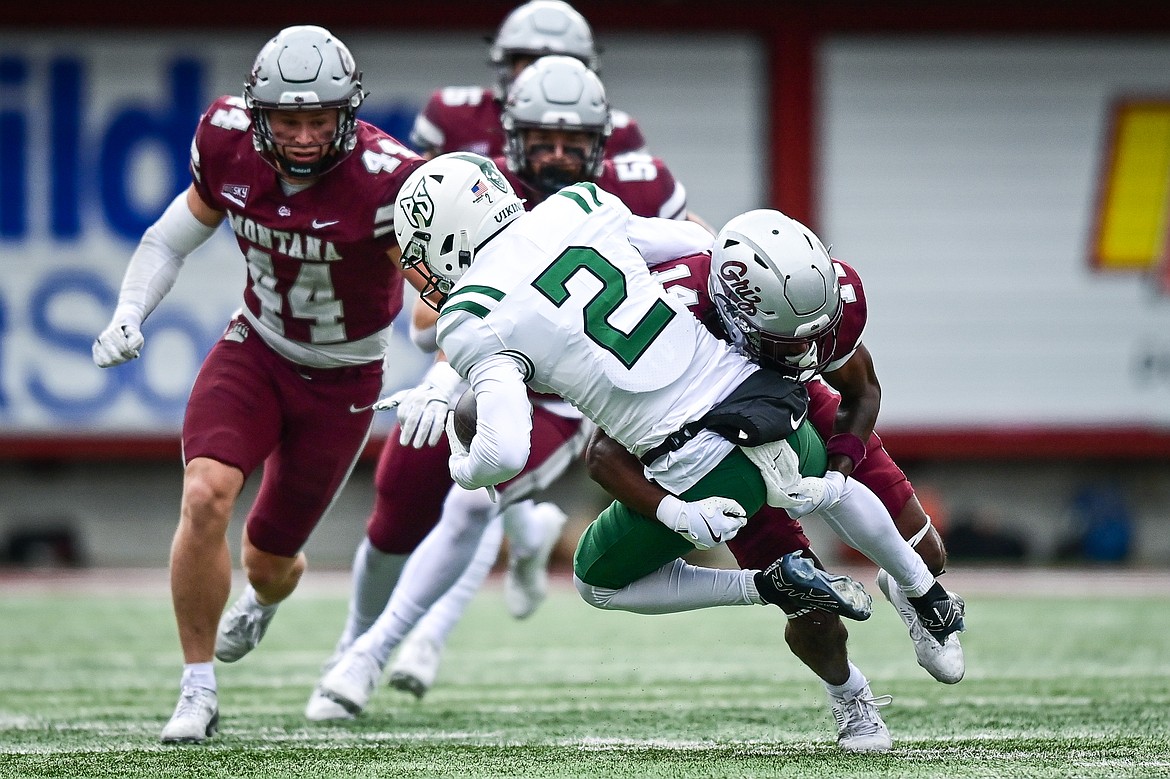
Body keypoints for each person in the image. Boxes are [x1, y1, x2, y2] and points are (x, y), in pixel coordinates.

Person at [315, 153, 913, 752]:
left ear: (448, 237)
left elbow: (502, 454)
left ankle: (769, 586)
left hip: (698, 470)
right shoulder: (579, 204)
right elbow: (696, 244)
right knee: (836, 485)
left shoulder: (473, 314)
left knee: (598, 582)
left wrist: (460, 464)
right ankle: (923, 592)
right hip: (772, 413)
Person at [304, 55, 702, 718]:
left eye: (572, 139)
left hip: (581, 388)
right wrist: (444, 372)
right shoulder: (480, 186)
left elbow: (700, 251)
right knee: (399, 502)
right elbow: (435, 316)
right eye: (539, 137)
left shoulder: (631, 185)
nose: (554, 152)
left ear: (603, 137)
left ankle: (379, 653)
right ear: (510, 130)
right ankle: (522, 531)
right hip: (494, 366)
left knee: (471, 500)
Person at [91, 25, 424, 744]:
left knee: (271, 565)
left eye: (319, 119)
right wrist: (129, 309)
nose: (304, 136)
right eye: (288, 119)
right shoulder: (226, 141)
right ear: (258, 112)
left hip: (344, 378)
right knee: (206, 493)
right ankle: (197, 687)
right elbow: (170, 237)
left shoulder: (388, 178)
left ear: (349, 112)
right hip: (257, 348)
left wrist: (450, 365)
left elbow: (436, 295)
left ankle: (264, 599)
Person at [585, 208, 967, 686]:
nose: (803, 353)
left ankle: (907, 586)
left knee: (926, 552)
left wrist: (839, 473)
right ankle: (851, 699)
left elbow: (862, 390)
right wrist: (676, 513)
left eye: (813, 335)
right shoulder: (670, 325)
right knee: (811, 608)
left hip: (800, 403)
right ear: (730, 313)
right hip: (717, 447)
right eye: (784, 339)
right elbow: (603, 454)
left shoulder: (822, 305)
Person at [409, 0, 646, 160]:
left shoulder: (619, 130)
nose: (545, 72)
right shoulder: (455, 113)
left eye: (559, 61)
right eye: (531, 62)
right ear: (507, 66)